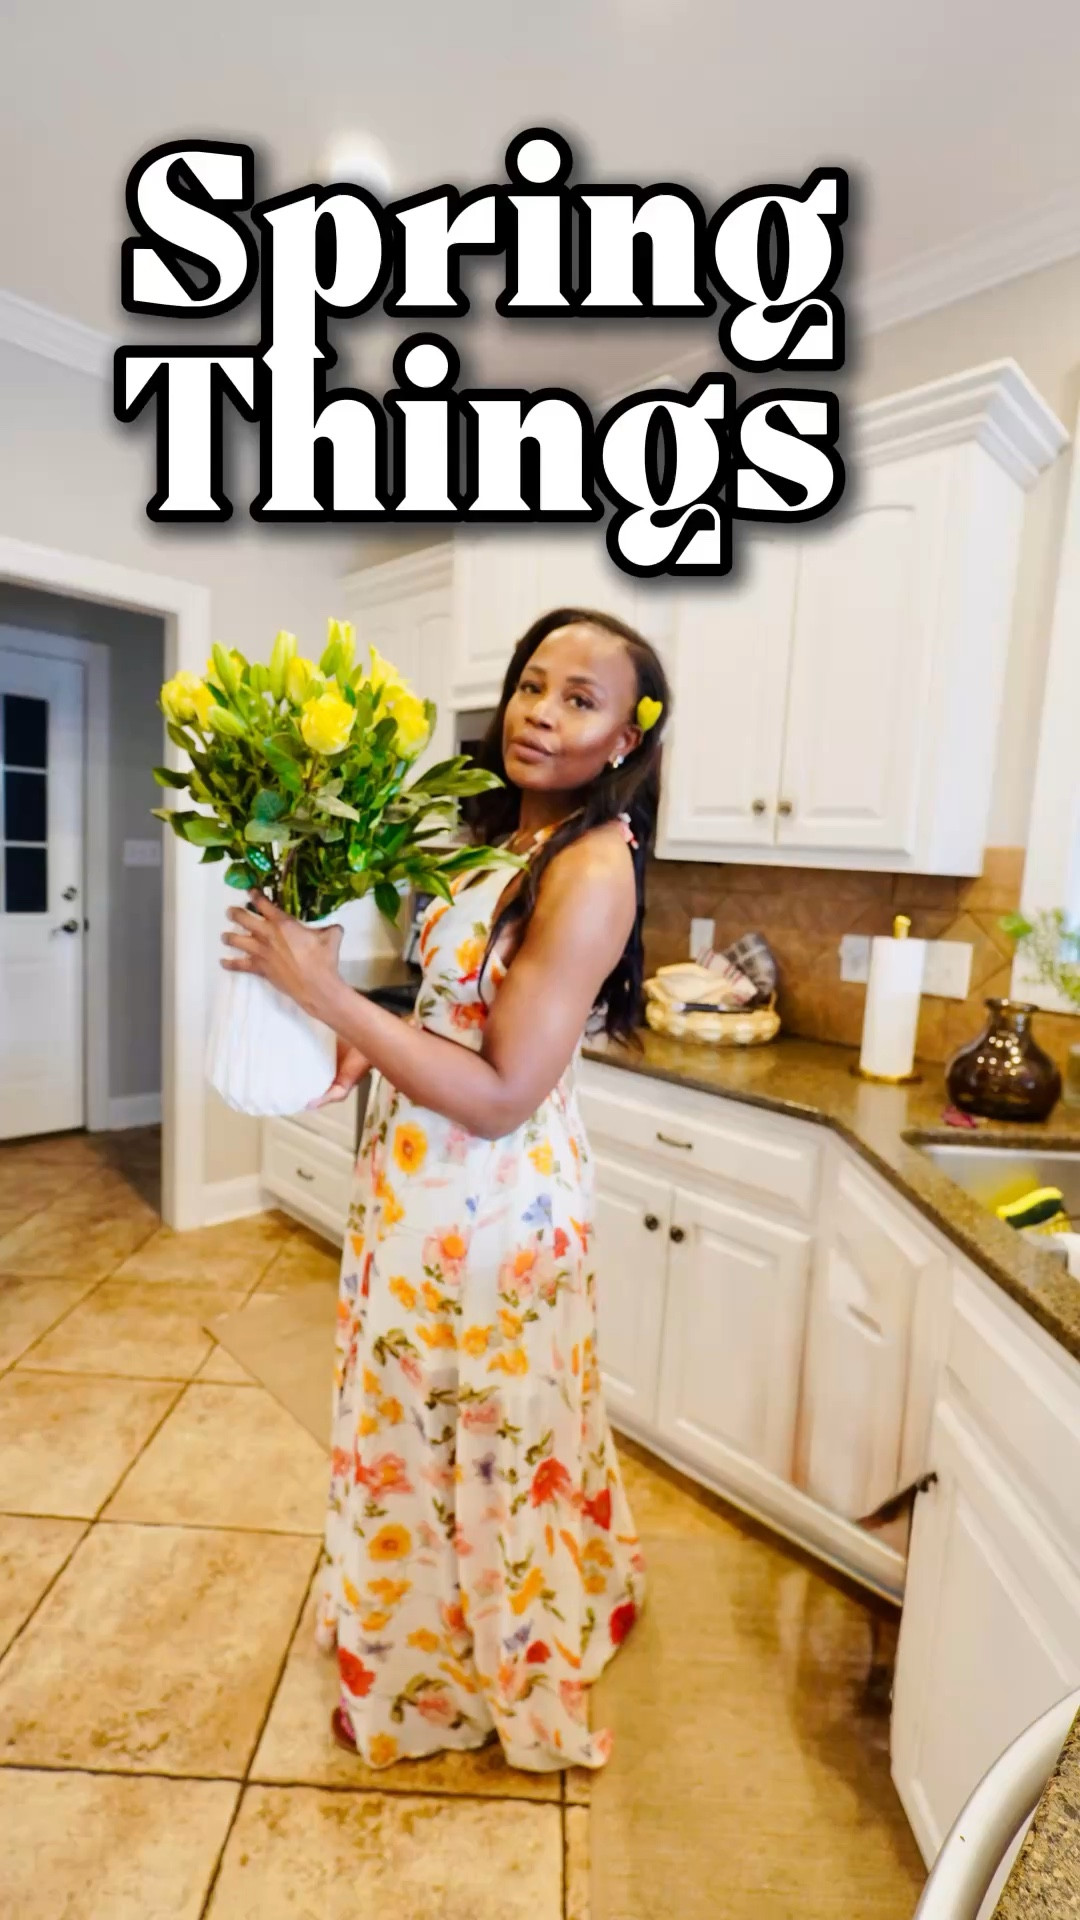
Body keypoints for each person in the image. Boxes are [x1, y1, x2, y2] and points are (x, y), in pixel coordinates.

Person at [221, 606, 670, 1774]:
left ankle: (465, 1678)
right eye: (533, 684)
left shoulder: (590, 868)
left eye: (580, 699)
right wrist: (353, 1051)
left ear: (626, 737)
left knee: (480, 1434)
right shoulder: (493, 836)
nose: (542, 713)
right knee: (415, 1425)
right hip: (417, 1188)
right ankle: (418, 1642)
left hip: (493, 1200)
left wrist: (324, 994)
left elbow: (503, 1090)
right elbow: (447, 999)